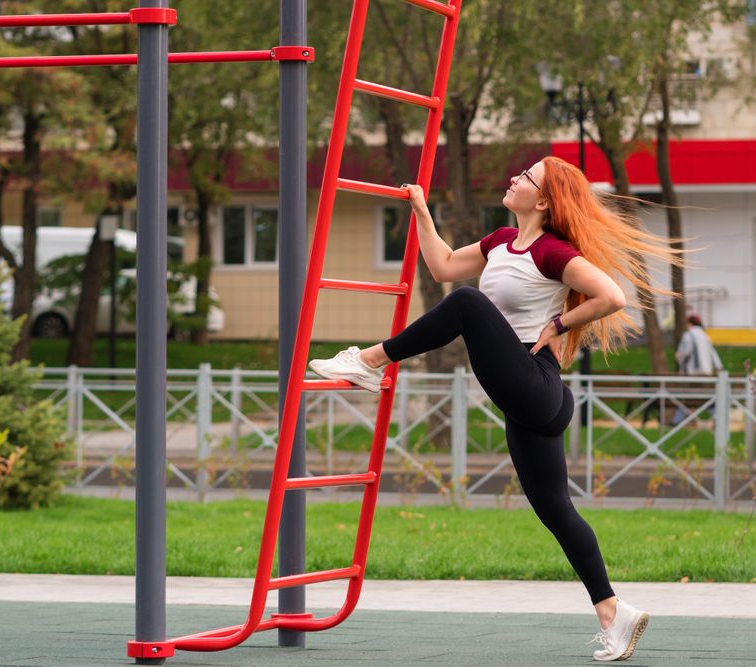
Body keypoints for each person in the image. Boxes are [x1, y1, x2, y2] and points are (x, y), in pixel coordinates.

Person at [309, 156, 681, 662]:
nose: (514, 178)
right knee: (555, 511)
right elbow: (442, 266)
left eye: (526, 177)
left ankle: (371, 361)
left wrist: (559, 325)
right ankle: (614, 614)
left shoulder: (552, 251)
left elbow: (612, 295)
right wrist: (421, 211)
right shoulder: (500, 242)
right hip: (529, 400)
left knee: (467, 304)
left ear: (544, 200)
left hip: (536, 384)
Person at [671, 313, 723, 427]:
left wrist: (678, 356)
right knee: (699, 396)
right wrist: (718, 367)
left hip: (693, 372)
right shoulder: (705, 336)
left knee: (693, 396)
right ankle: (677, 420)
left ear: (690, 323)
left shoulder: (689, 335)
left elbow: (685, 352)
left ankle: (677, 421)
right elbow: (713, 354)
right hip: (706, 372)